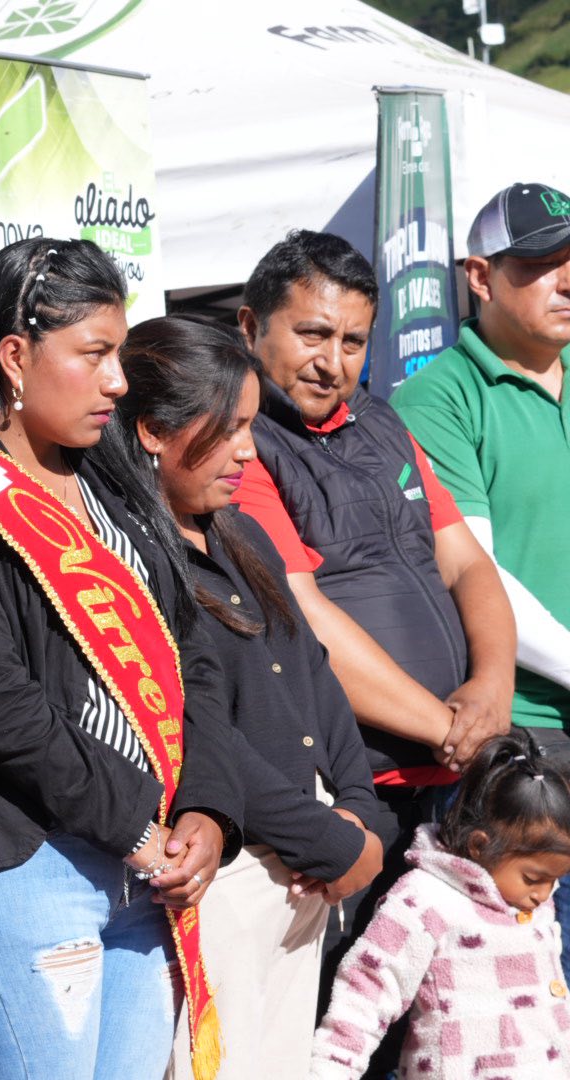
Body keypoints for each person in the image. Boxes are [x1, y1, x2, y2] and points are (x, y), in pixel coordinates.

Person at [0, 239, 244, 1080]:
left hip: (154, 869)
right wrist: (137, 826)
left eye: (118, 355)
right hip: (36, 864)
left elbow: (191, 655)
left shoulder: (113, 484)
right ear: (15, 357)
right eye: (94, 354)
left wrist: (208, 810)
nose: (118, 381)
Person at [232, 230, 516, 1067]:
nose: (334, 362)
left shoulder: (385, 423)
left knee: (444, 1027)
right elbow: (303, 614)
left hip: (451, 785)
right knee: (340, 1032)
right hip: (353, 793)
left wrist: (492, 687)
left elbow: (466, 562)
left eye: (354, 341)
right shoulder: (242, 442)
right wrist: (448, 725)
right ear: (250, 326)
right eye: (312, 334)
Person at [96, 317, 390, 1076]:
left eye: (250, 426)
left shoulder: (243, 535)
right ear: (153, 431)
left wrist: (362, 815)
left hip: (305, 876)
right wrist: (328, 841)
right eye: (226, 429)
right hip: (226, 879)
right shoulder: (124, 559)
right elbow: (196, 732)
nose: (248, 451)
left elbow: (316, 677)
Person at [391, 182, 570, 971]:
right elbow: (475, 571)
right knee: (531, 983)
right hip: (528, 737)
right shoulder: (438, 398)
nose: (566, 280)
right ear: (479, 276)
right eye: (540, 262)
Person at [310, 733, 570, 1079]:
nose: (544, 893)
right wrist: (329, 1070)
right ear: (480, 846)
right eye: (533, 878)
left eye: (555, 879)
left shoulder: (533, 904)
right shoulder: (426, 900)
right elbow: (366, 990)